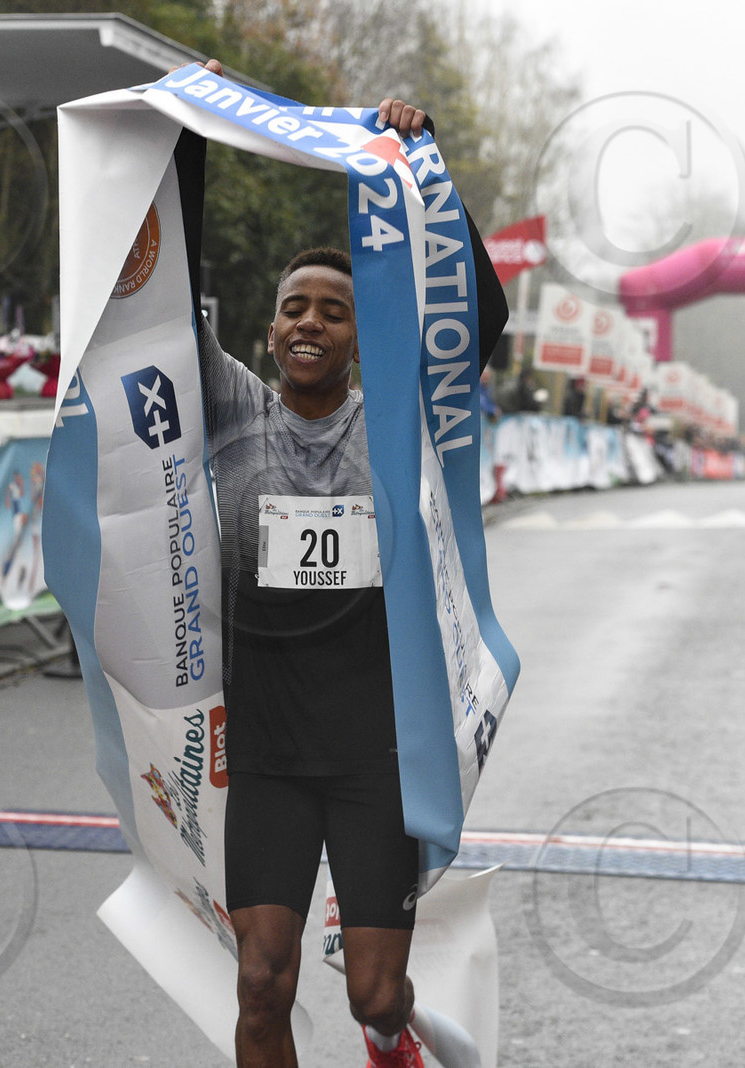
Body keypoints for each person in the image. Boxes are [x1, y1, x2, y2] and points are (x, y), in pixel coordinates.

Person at [191, 73, 505, 1067]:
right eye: (294, 309)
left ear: (360, 335)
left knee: (375, 989)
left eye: (333, 310)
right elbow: (156, 308)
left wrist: (430, 173)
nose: (311, 323)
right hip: (269, 753)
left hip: (376, 752)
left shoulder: (400, 425)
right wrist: (185, 135)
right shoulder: (234, 410)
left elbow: (479, 318)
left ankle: (388, 1036)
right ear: (268, 330)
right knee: (260, 983)